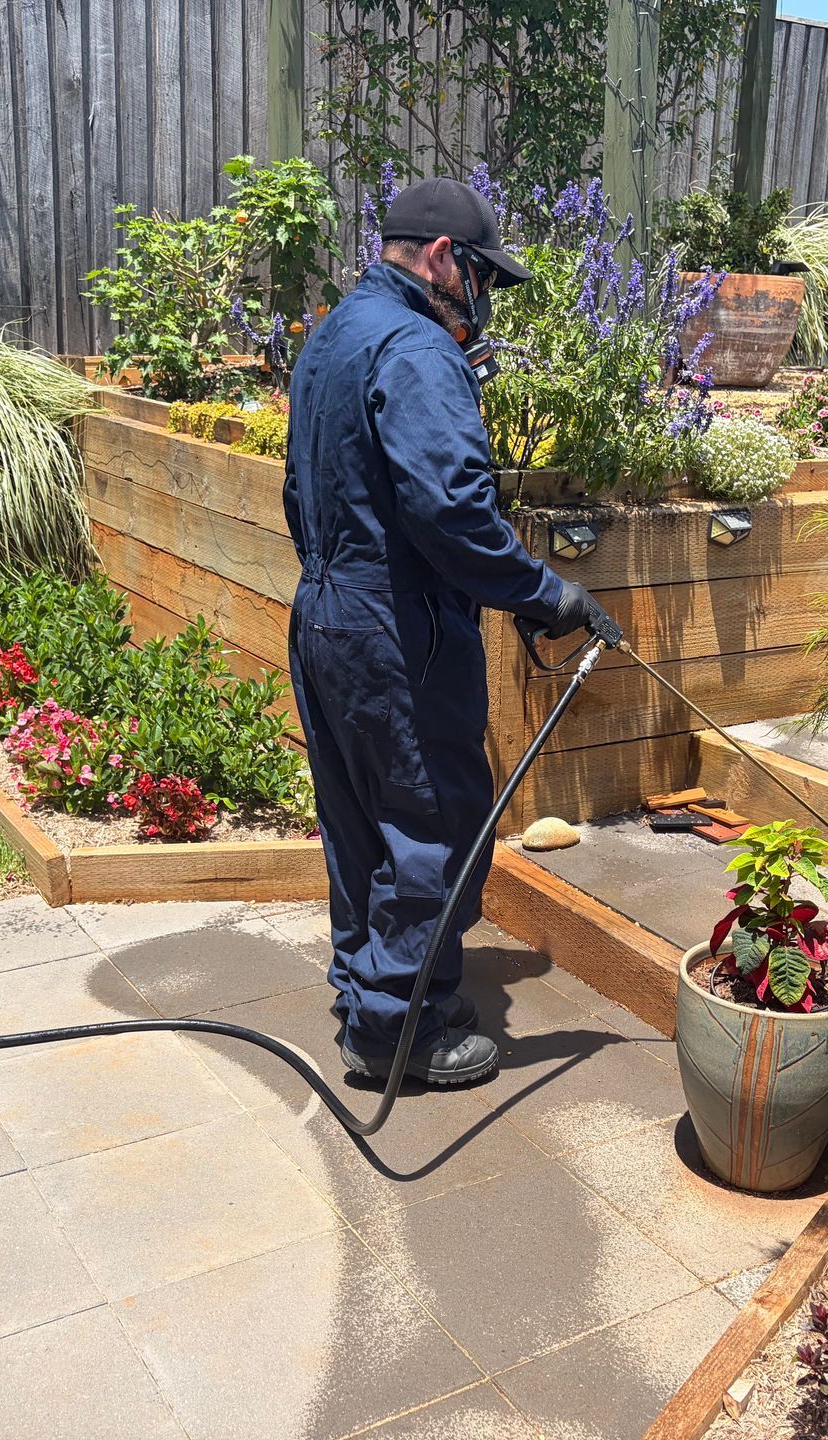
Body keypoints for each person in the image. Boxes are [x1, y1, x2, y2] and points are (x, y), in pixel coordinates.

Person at [283, 176, 614, 1086]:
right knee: (434, 824)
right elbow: (456, 517)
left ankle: (364, 991)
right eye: (480, 278)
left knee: (358, 819)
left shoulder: (332, 334)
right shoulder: (419, 351)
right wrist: (549, 595)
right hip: (399, 633)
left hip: (324, 615)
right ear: (440, 258)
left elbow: (300, 491)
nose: (482, 300)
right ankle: (402, 1031)